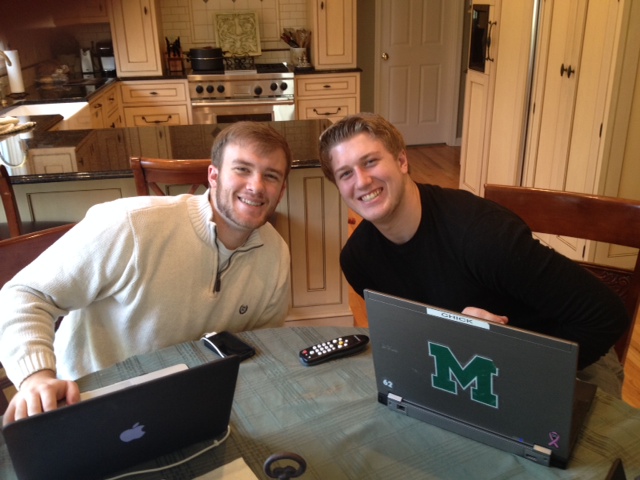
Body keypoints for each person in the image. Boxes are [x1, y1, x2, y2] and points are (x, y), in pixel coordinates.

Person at [318, 112, 629, 397]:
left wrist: (497, 351)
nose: (361, 181)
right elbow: (410, 339)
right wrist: (463, 342)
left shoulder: (482, 236)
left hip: (565, 360)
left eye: (371, 161)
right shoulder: (359, 260)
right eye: (345, 173)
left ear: (402, 161)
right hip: (466, 367)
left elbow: (605, 315)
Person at [0, 121, 293, 424]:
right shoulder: (131, 225)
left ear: (281, 191)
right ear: (214, 176)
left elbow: (261, 348)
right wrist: (36, 378)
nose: (256, 186)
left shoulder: (275, 254)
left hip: (196, 403)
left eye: (270, 176)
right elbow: (24, 294)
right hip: (92, 402)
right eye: (242, 169)